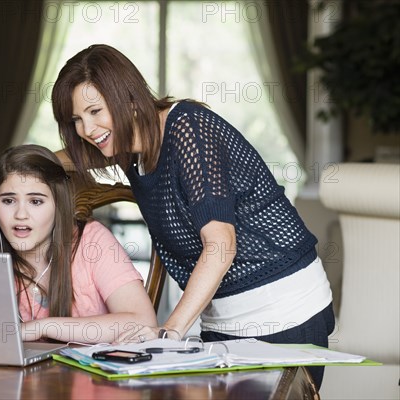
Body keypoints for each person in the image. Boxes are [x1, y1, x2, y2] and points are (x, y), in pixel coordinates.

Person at [51, 44, 334, 388]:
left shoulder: (188, 127)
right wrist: (10, 167)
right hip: (222, 322)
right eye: (76, 119)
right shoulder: (128, 147)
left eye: (95, 111)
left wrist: (168, 334)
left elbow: (221, 245)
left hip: (284, 312)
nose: (87, 129)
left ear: (127, 98)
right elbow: (70, 158)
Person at [0, 144, 157, 344]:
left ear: (57, 205)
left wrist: (41, 327)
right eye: (8, 201)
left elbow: (143, 321)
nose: (20, 215)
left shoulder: (92, 243)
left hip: (90, 376)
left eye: (36, 201)